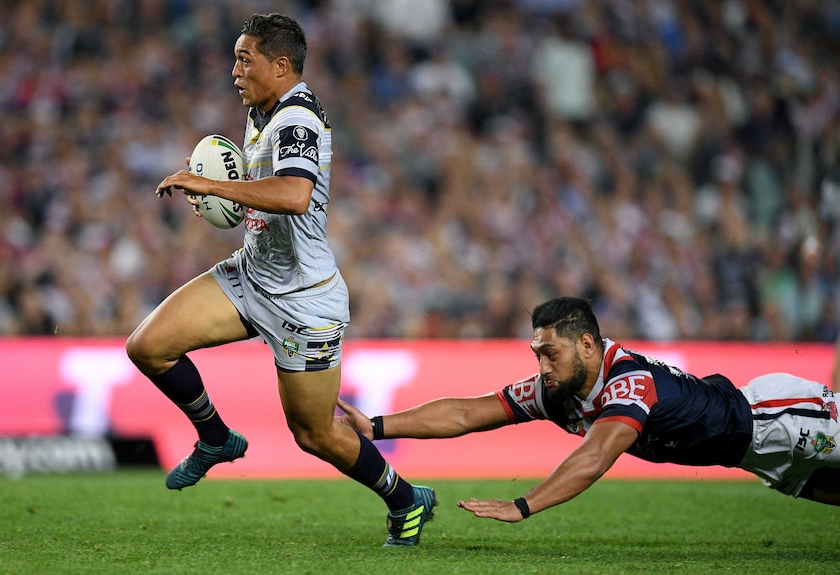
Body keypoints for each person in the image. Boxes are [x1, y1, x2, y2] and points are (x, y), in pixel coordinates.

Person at [126, 13, 436, 547]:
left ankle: (406, 499)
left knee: (314, 434)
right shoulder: (259, 109)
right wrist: (224, 196)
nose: (235, 70)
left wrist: (210, 185)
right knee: (148, 346)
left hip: (304, 302)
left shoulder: (298, 121)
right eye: (236, 58)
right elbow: (267, 191)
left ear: (282, 65)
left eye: (246, 60)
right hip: (252, 274)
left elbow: (294, 194)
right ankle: (216, 438)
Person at [337, 296, 840, 523]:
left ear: (585, 344)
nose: (541, 364)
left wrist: (523, 504)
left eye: (549, 352)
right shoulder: (558, 389)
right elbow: (470, 413)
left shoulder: (630, 384)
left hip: (781, 417)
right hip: (756, 458)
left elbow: (596, 457)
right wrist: (377, 425)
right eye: (536, 353)